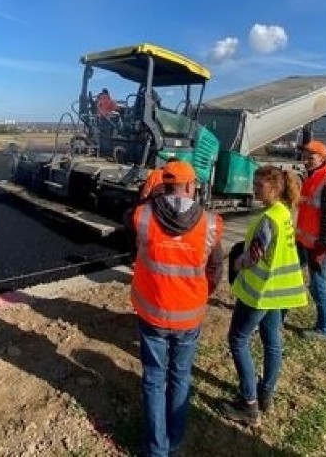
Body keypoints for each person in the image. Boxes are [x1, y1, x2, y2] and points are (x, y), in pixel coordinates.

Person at [130, 160, 224, 457]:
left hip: (153, 312)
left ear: (164, 184)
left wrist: (148, 195)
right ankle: (175, 440)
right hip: (189, 316)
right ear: (188, 185)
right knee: (181, 376)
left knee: (155, 379)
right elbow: (215, 266)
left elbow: (129, 222)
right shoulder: (211, 222)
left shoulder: (142, 215)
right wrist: (203, 292)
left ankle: (157, 449)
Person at [221, 166, 307, 426]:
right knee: (272, 341)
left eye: (259, 185)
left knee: (238, 340)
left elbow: (254, 256)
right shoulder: (284, 213)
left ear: (275, 188)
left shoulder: (268, 219)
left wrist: (236, 264)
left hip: (260, 293)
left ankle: (249, 406)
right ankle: (266, 393)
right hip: (279, 293)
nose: (254, 189)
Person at [296, 140, 326, 340]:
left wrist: (322, 249)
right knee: (288, 278)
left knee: (318, 286)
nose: (306, 160)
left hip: (317, 247)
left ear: (322, 158)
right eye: (304, 156)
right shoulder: (312, 178)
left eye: (311, 157)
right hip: (303, 242)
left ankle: (325, 328)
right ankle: (277, 317)